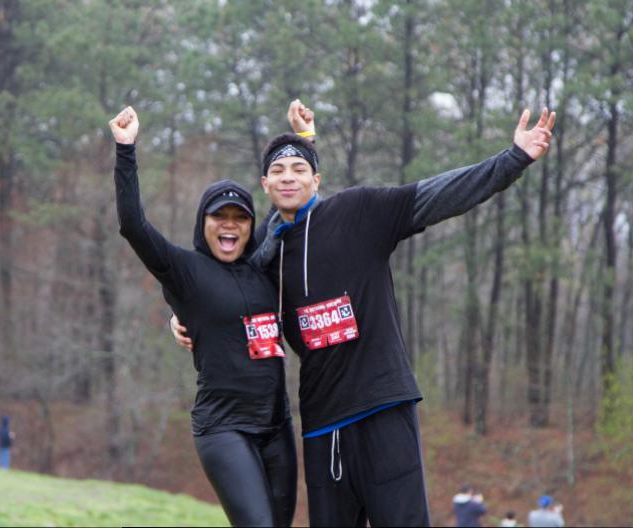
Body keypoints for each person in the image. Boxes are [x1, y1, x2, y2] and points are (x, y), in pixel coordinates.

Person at [173, 100, 555, 526]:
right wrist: (182, 318)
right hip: (322, 425)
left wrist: (515, 158)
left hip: (382, 407)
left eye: (300, 170)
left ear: (317, 179)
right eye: (278, 172)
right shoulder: (267, 253)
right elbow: (217, 287)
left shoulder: (360, 211)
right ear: (264, 184)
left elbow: (441, 194)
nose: (288, 178)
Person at [108, 106, 297, 527]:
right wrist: (126, 150)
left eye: (239, 218)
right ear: (204, 222)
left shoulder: (262, 263)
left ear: (249, 227)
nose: (230, 226)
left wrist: (305, 138)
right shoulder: (185, 271)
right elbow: (133, 225)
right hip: (224, 428)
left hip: (277, 424)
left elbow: (290, 199)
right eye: (219, 217)